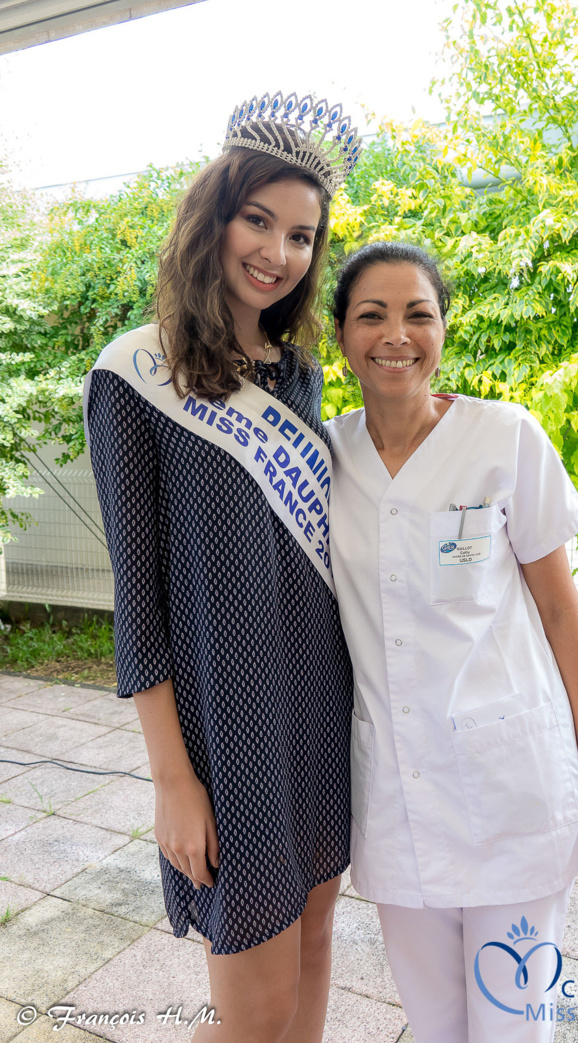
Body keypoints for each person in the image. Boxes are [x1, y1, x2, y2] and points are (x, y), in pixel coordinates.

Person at [83, 92, 361, 1043]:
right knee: (254, 1011)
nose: (277, 252)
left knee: (317, 937)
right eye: (258, 220)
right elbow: (141, 597)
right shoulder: (133, 374)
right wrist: (173, 779)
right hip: (223, 727)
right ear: (214, 214)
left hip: (319, 704)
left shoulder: (297, 372)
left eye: (300, 235)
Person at [327, 241, 578, 1043]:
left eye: (418, 313)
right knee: (434, 1026)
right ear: (340, 336)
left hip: (511, 791)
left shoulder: (504, 438)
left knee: (512, 1027)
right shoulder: (325, 455)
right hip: (397, 794)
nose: (397, 334)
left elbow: (563, 614)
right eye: (371, 315)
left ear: (443, 328)